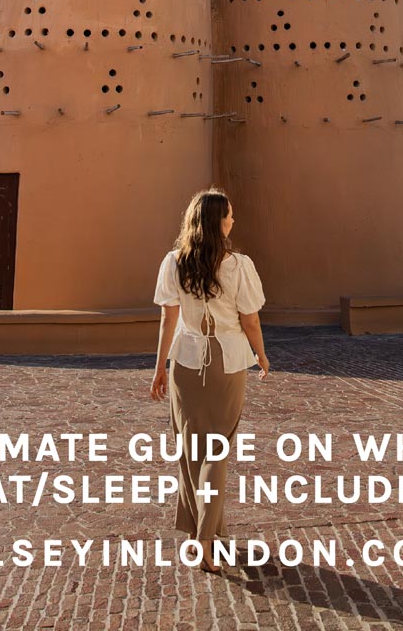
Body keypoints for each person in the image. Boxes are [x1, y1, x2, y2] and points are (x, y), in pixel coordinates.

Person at [150, 188, 269, 572]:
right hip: (228, 360)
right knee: (218, 449)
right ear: (218, 222)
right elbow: (250, 319)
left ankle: (197, 533)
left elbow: (169, 319)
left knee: (190, 451)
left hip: (185, 360)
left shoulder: (173, 263)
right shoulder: (239, 265)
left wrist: (159, 368)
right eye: (229, 215)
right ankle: (205, 539)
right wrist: (262, 355)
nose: (233, 221)